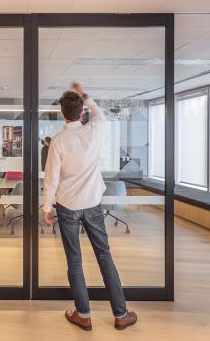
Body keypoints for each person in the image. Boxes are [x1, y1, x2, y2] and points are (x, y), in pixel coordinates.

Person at [42, 82, 137, 331]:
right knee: (104, 257)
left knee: (74, 262)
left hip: (67, 206)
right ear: (81, 111)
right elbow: (100, 114)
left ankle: (83, 315)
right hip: (93, 205)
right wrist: (85, 96)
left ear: (62, 112)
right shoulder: (93, 130)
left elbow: (51, 178)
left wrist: (47, 208)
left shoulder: (59, 141)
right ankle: (121, 315)